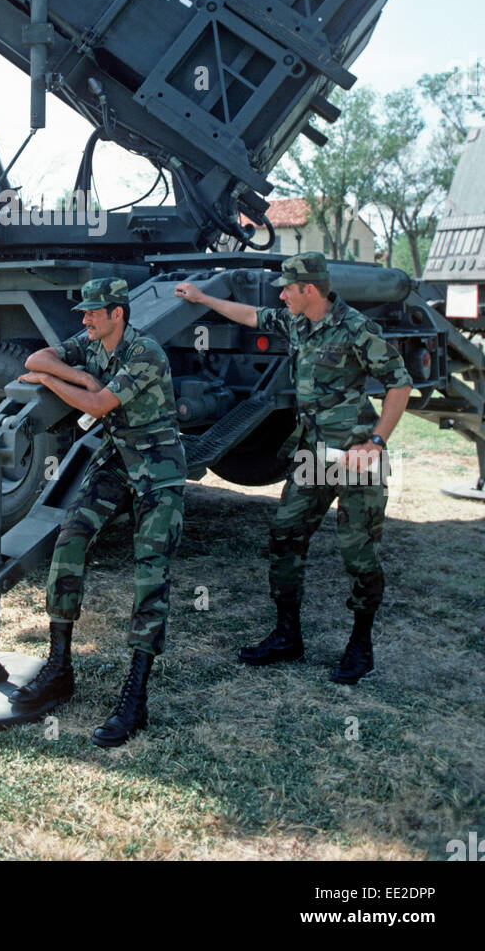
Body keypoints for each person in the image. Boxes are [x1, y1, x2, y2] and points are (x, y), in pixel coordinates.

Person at [175, 252, 412, 685]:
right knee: (284, 536)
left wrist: (376, 441)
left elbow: (400, 383)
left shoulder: (357, 329)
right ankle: (287, 636)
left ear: (310, 289)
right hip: (310, 455)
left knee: (358, 553)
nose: (281, 294)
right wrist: (202, 297)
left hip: (354, 457)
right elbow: (249, 314)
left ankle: (360, 645)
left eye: (287, 288)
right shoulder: (295, 322)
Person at [9, 276, 187, 745]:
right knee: (69, 539)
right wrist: (80, 373)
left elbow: (97, 403)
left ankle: (136, 697)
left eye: (93, 312)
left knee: (150, 572)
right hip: (115, 460)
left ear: (117, 315)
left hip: (158, 467)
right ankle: (60, 667)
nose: (84, 319)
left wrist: (55, 380)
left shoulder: (145, 352)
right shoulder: (92, 343)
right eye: (84, 312)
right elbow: (35, 358)